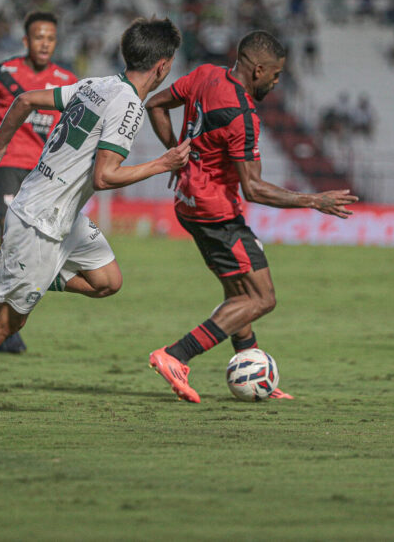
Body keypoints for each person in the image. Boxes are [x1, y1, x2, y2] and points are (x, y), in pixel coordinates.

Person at [0, 17, 190, 415]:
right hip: (41, 218)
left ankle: (0, 268)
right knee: (7, 323)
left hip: (62, 214)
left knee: (107, 281)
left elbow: (24, 100)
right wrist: (163, 164)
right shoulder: (129, 106)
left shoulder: (97, 84)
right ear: (163, 65)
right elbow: (105, 175)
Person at [144, 31, 358, 403]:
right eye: (275, 76)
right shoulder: (242, 115)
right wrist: (313, 200)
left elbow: (155, 104)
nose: (276, 83)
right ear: (258, 69)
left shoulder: (204, 75)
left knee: (238, 293)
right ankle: (176, 355)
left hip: (189, 204)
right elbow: (254, 189)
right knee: (262, 297)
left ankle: (253, 369)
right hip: (217, 213)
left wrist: (178, 157)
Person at [0, 11, 78, 353]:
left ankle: (0, 291)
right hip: (8, 166)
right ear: (26, 41)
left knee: (38, 246)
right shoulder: (1, 74)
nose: (45, 43)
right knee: (12, 236)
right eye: (38, 37)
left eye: (50, 37)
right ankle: (5, 325)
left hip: (46, 172)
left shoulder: (67, 78)